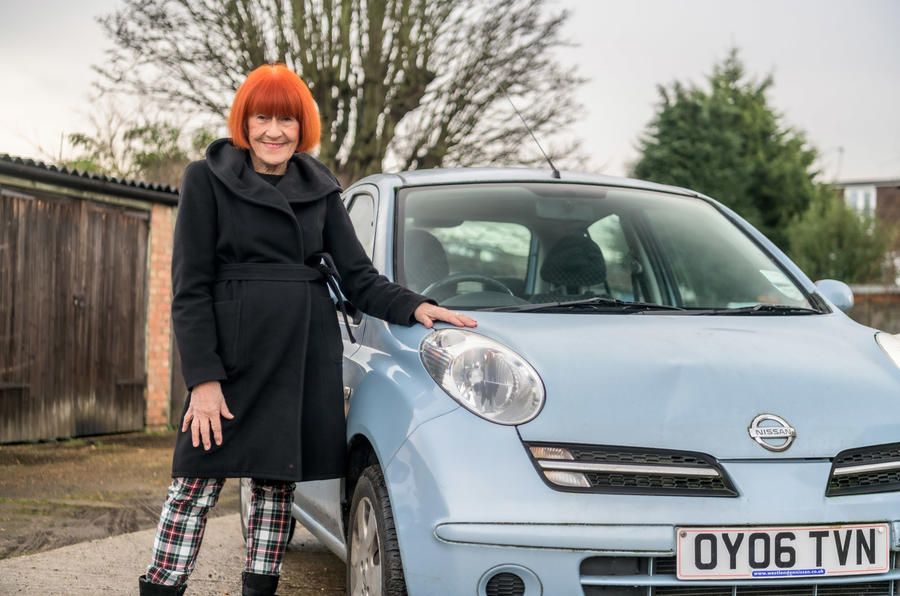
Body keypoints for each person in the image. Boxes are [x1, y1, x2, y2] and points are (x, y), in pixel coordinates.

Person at [139, 64, 476, 596]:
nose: (275, 131)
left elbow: (359, 277)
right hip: (227, 363)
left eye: (287, 120)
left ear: (303, 127)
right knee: (194, 485)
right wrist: (202, 380)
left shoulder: (320, 188)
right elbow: (189, 289)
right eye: (263, 117)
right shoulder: (205, 178)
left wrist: (417, 307)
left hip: (297, 358)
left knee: (275, 489)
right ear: (244, 123)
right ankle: (162, 586)